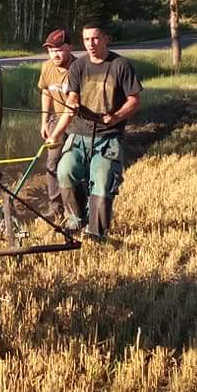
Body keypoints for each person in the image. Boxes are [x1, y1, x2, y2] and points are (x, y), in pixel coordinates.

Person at [46, 21, 143, 241]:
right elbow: (72, 99)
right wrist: (57, 132)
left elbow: (135, 100)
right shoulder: (78, 67)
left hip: (108, 137)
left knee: (101, 180)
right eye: (87, 39)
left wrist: (116, 116)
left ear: (106, 38)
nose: (91, 43)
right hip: (79, 134)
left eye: (96, 38)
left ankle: (96, 232)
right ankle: (76, 218)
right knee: (65, 171)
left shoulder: (120, 65)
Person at [37, 28, 75, 216]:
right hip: (57, 118)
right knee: (52, 163)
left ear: (69, 48)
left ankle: (73, 208)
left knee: (71, 164)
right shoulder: (47, 67)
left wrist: (56, 134)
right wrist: (44, 122)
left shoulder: (78, 68)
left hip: (78, 121)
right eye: (51, 50)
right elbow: (45, 91)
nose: (54, 54)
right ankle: (56, 207)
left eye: (58, 49)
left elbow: (72, 109)